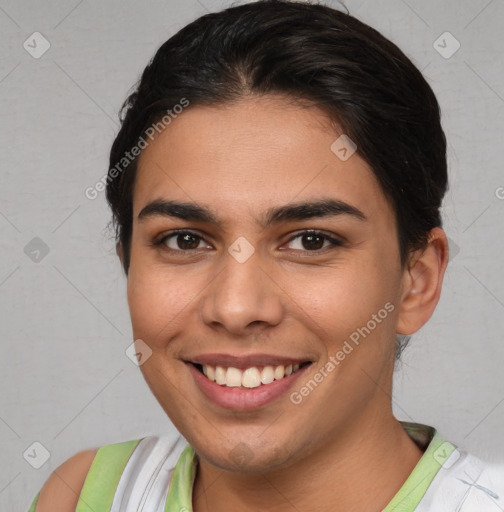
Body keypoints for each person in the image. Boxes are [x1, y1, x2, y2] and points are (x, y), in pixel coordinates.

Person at [28, 1, 504, 510]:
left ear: (417, 279)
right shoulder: (85, 496)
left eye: (311, 241)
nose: (235, 308)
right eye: (185, 240)